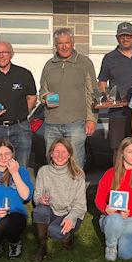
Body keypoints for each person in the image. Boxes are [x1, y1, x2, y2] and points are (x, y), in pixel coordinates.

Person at [39, 27, 98, 168]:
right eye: (60, 43)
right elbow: (42, 90)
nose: (64, 47)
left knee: (76, 163)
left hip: (76, 123)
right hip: (52, 123)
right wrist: (45, 97)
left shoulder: (85, 63)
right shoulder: (49, 65)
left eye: (67, 43)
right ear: (55, 45)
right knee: (52, 163)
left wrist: (92, 119)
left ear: (73, 43)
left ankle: (75, 190)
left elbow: (93, 92)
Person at [97, 21, 132, 161]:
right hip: (118, 113)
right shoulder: (109, 58)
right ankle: (118, 180)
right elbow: (102, 81)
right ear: (117, 38)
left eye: (128, 35)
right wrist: (104, 97)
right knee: (119, 149)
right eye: (122, 36)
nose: (125, 39)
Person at [94, 138, 132, 261]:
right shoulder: (110, 173)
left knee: (128, 256)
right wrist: (106, 209)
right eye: (129, 151)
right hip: (111, 217)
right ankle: (111, 246)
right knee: (116, 220)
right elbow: (98, 199)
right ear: (122, 153)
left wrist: (131, 212)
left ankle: (120, 237)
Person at [32, 138, 87, 262]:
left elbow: (81, 205)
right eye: (57, 151)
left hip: (70, 214)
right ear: (51, 153)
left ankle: (68, 239)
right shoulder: (43, 171)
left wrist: (71, 218)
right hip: (51, 210)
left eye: (64, 152)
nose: (60, 155)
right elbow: (36, 196)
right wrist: (40, 199)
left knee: (54, 231)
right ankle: (42, 247)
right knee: (38, 211)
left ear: (69, 155)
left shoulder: (77, 174)